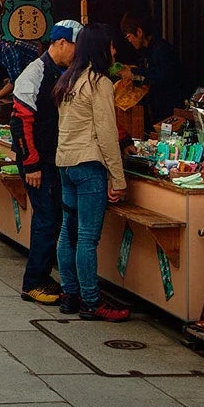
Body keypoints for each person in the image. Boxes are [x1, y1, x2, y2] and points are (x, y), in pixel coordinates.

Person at [54, 25, 129, 321]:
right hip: (89, 166)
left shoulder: (68, 79)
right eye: (111, 46)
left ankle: (69, 295)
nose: (114, 52)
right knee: (86, 238)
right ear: (100, 48)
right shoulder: (99, 83)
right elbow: (107, 133)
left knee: (67, 233)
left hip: (66, 164)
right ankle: (91, 301)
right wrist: (118, 178)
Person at [10, 20, 81, 306]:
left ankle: (45, 274)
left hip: (55, 159)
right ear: (62, 43)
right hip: (38, 161)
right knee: (46, 218)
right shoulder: (35, 72)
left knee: (54, 218)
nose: (78, 53)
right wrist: (32, 164)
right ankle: (33, 282)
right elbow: (20, 122)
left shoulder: (64, 71)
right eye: (76, 46)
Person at [119, 11, 188, 126]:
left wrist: (133, 74)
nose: (129, 41)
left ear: (139, 32)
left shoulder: (162, 49)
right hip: (157, 111)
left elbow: (158, 76)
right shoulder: (147, 50)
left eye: (128, 36)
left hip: (169, 112)